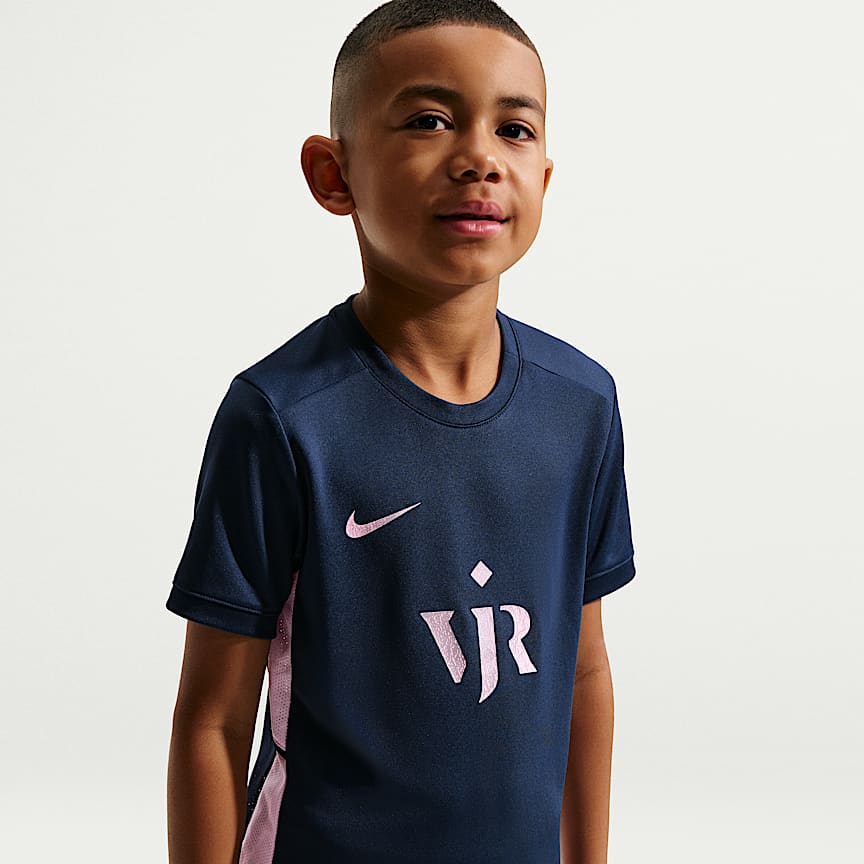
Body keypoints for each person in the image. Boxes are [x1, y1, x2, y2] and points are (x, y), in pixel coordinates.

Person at [165, 1, 636, 862]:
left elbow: (585, 670)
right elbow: (214, 720)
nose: (480, 158)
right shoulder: (282, 416)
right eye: (429, 120)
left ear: (543, 177)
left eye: (514, 129)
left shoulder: (582, 405)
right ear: (333, 173)